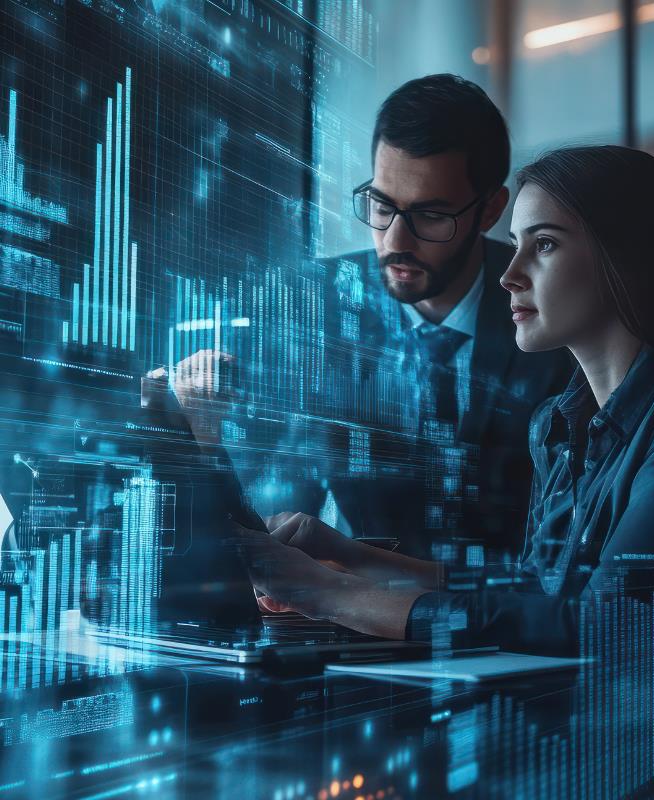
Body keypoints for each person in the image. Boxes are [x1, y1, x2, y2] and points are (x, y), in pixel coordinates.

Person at [233, 145, 654, 683]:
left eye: (543, 245)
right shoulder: (556, 424)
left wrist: (326, 593)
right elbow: (535, 591)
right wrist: (344, 555)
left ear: (625, 257)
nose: (510, 274)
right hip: (593, 729)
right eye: (516, 244)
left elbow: (609, 625)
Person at [162, 75, 572, 561]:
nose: (395, 241)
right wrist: (203, 442)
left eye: (430, 215)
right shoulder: (315, 304)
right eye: (381, 205)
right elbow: (267, 495)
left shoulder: (555, 312)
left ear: (489, 211)